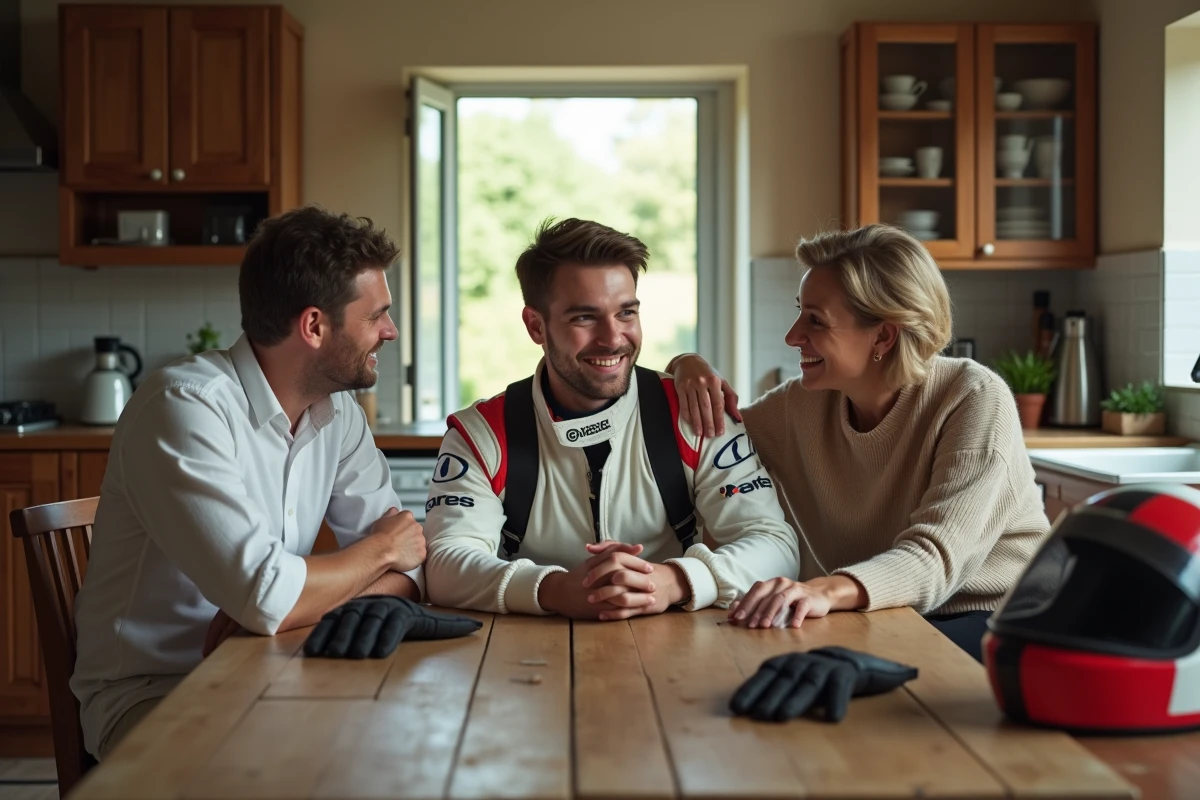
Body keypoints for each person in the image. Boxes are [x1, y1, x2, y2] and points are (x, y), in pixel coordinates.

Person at [71, 206, 427, 760]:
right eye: (376, 315)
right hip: (159, 691)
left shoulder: (340, 415)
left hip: (278, 665)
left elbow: (412, 571)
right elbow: (279, 594)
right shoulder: (185, 407)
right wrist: (378, 550)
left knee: (397, 748)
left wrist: (304, 601)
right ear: (313, 326)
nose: (391, 331)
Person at [668, 224, 1051, 661]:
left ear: (883, 336)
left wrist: (821, 591)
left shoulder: (971, 397)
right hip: (884, 613)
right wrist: (687, 364)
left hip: (1001, 623)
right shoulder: (803, 405)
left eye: (816, 320)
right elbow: (705, 454)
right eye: (799, 312)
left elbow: (934, 560)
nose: (793, 335)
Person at [422, 218, 799, 619]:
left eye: (626, 313)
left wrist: (674, 582)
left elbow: (774, 545)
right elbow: (444, 563)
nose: (613, 338)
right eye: (584, 318)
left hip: (677, 655)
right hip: (526, 661)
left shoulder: (694, 411)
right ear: (536, 326)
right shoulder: (482, 433)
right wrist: (552, 589)